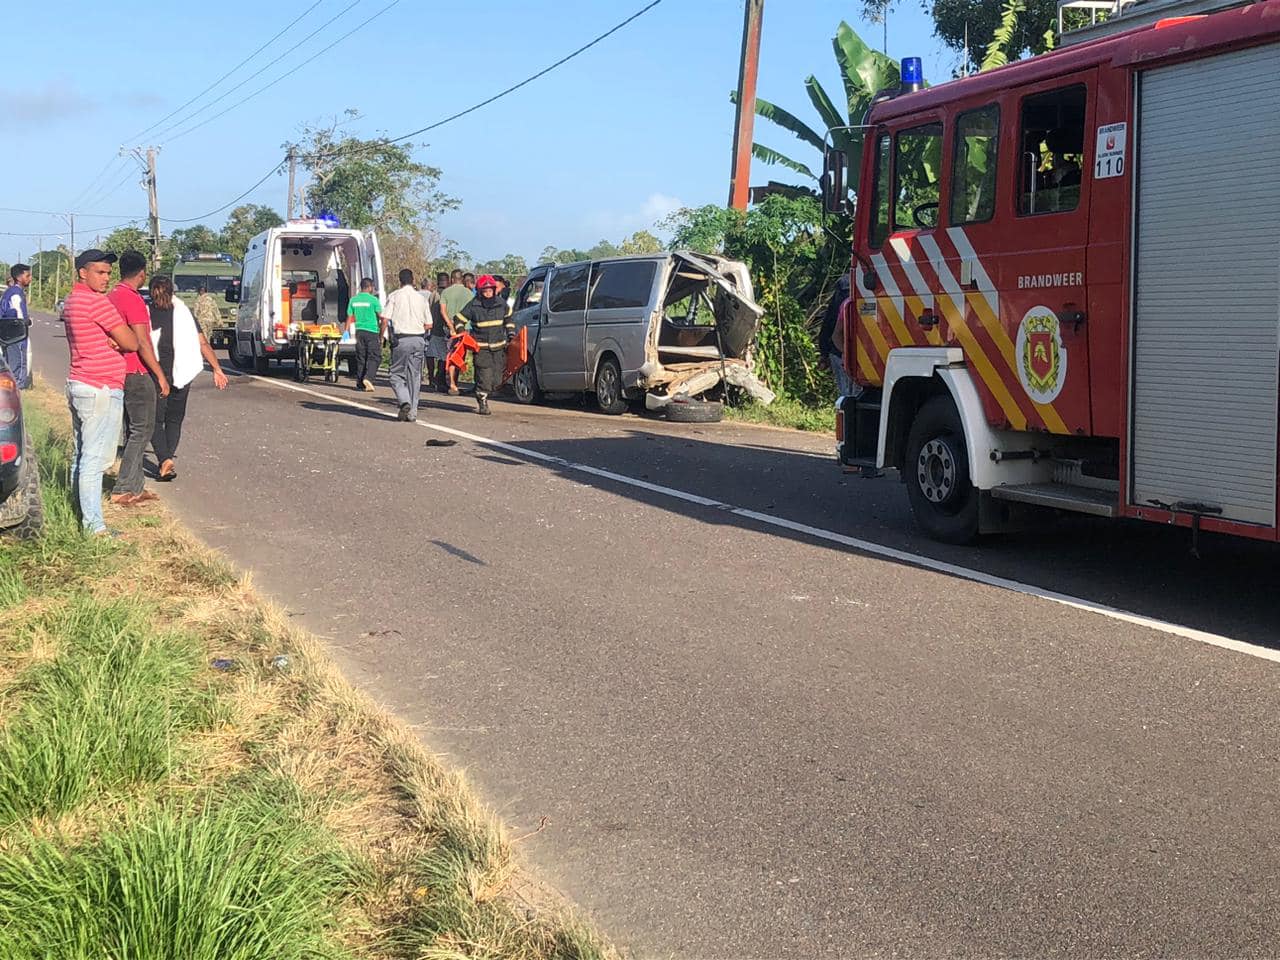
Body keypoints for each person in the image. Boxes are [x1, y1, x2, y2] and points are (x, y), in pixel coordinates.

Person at [63, 249, 139, 536]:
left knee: (81, 455)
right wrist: (118, 341)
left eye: (109, 273)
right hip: (101, 387)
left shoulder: (72, 301)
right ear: (83, 272)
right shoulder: (97, 303)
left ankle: (80, 512)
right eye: (100, 272)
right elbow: (131, 342)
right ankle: (94, 528)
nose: (106, 278)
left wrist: (114, 339)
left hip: (80, 383)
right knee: (94, 461)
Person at [147, 275, 228, 481]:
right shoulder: (184, 312)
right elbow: (202, 343)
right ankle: (166, 460)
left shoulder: (146, 312)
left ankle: (164, 459)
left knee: (154, 420)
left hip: (157, 374)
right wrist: (217, 368)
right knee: (174, 419)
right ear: (172, 292)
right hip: (182, 372)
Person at [107, 251, 170, 507]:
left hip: (117, 371)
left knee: (132, 429)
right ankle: (123, 488)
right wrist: (160, 374)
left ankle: (136, 486)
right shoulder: (132, 299)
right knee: (142, 431)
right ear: (142, 272)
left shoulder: (112, 296)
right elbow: (142, 342)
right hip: (136, 371)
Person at [457, 274, 514, 416]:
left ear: (494, 290)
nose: (488, 293)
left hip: (499, 347)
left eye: (490, 290)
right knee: (485, 376)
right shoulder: (473, 305)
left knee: (496, 380)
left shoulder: (502, 304)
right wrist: (462, 333)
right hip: (481, 348)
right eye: (485, 291)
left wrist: (511, 334)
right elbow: (458, 319)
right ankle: (482, 400)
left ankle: (483, 390)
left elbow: (509, 320)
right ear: (480, 291)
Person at [383, 268, 431, 421]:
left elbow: (385, 319)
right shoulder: (421, 299)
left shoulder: (395, 296)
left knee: (396, 374)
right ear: (413, 280)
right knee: (414, 376)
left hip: (401, 339)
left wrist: (381, 336)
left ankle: (404, 401)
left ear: (400, 281)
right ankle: (412, 413)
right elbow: (429, 324)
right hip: (418, 340)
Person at [438, 269, 473, 396]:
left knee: (451, 355)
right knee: (460, 355)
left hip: (450, 329)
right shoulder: (468, 293)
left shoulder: (446, 292)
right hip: (465, 329)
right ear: (461, 279)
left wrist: (450, 325)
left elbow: (442, 311)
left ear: (452, 279)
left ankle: (452, 384)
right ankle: (455, 382)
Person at [346, 277, 384, 392]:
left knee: (361, 357)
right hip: (372, 331)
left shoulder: (353, 300)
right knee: (375, 356)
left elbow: (349, 317)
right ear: (370, 287)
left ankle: (360, 382)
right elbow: (381, 316)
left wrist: (346, 332)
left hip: (359, 331)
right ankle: (368, 378)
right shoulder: (373, 300)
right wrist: (382, 332)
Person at [1, 264, 32, 388]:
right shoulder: (15, 294)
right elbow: (18, 315)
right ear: (19, 278)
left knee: (9, 366)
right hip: (17, 337)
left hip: (7, 336)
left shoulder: (9, 292)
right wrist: (25, 322)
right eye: (27, 276)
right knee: (18, 368)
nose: (30, 279)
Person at [420, 277, 446, 391]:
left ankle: (432, 377)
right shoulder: (444, 293)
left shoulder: (434, 295)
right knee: (443, 357)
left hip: (433, 329)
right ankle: (438, 377)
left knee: (430, 354)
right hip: (446, 330)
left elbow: (429, 311)